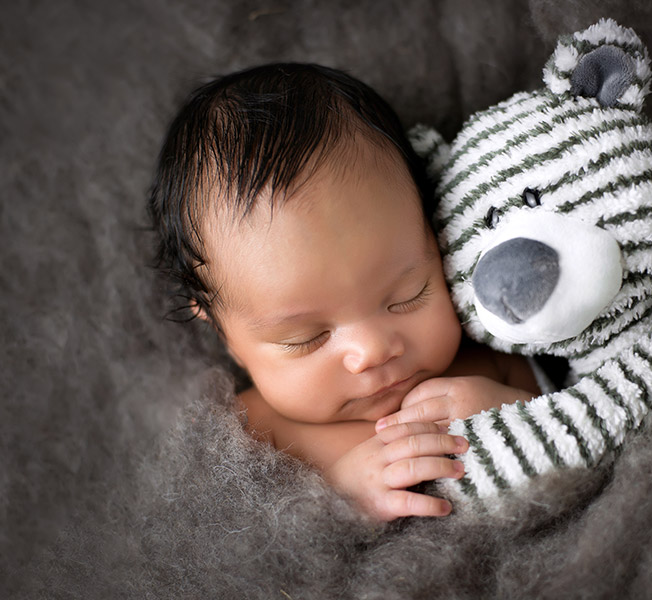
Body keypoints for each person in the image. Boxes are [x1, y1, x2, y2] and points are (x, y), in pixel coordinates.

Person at [147, 63, 541, 521]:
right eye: (307, 338)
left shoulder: (490, 361)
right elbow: (214, 537)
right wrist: (336, 502)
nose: (372, 351)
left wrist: (509, 412)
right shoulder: (246, 433)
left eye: (408, 295)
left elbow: (579, 416)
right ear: (221, 329)